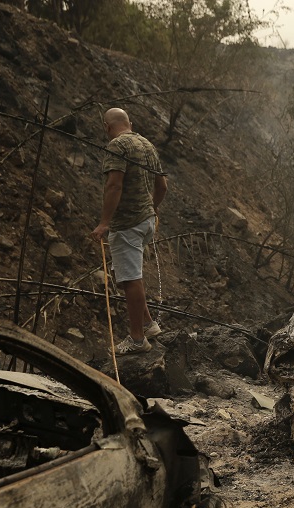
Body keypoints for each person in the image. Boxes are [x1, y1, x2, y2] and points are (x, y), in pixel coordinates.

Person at [90, 107, 168, 355]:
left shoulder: (117, 146)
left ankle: (136, 340)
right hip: (145, 221)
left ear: (107, 126)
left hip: (127, 224)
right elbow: (162, 185)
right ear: (130, 123)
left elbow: (114, 186)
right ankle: (148, 325)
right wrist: (151, 208)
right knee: (129, 275)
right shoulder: (146, 145)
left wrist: (104, 222)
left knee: (131, 279)